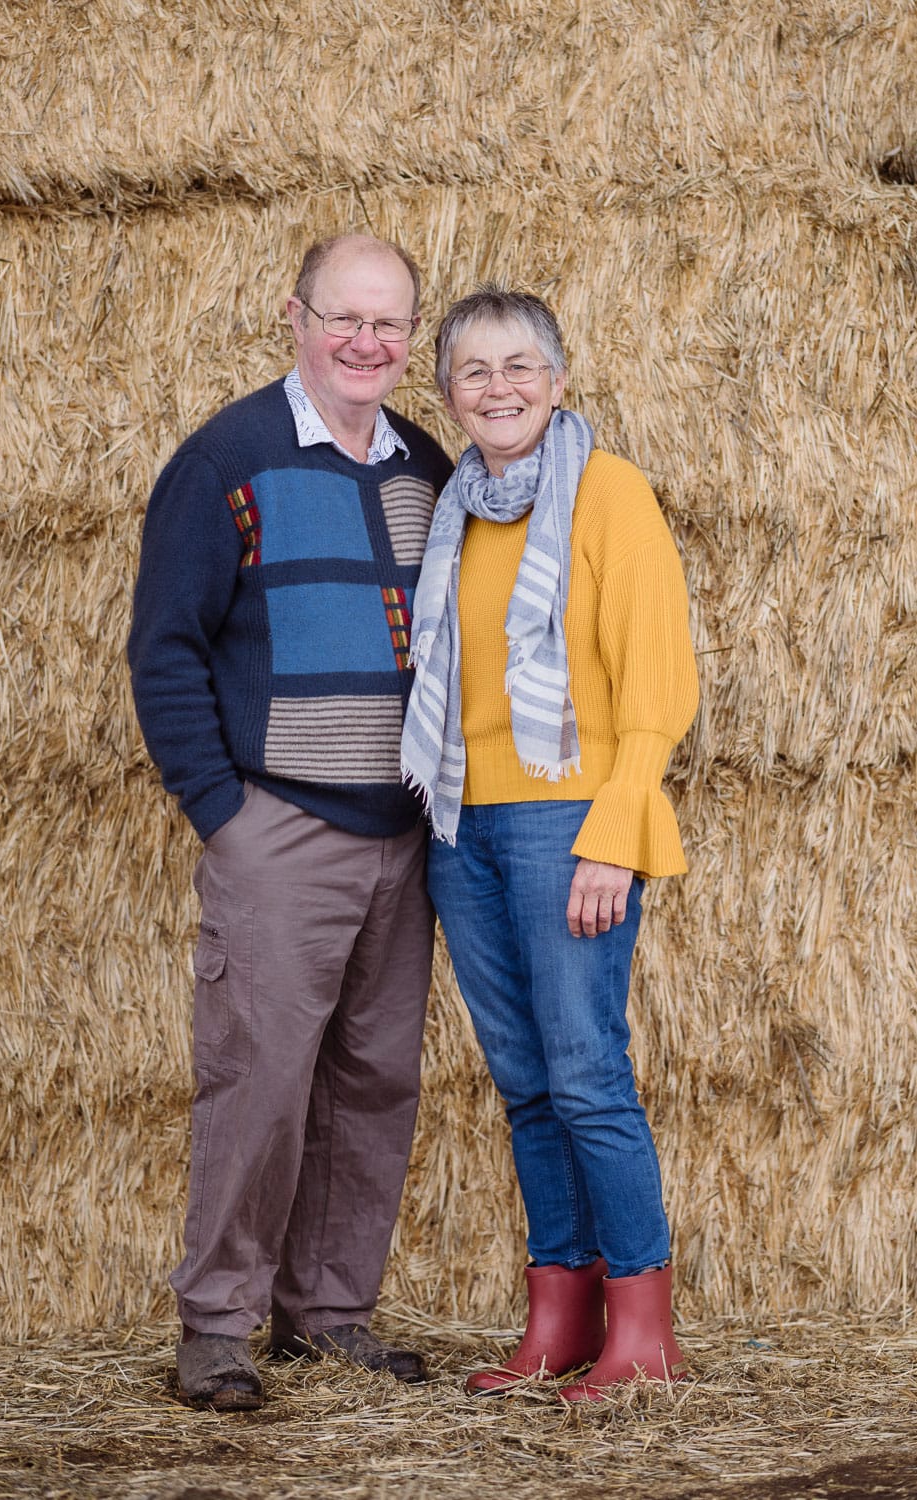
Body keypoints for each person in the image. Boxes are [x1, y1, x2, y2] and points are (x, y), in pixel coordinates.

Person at [128, 234, 453, 1410]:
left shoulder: (424, 463)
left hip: (400, 840)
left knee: (375, 1081)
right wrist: (224, 813)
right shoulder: (227, 458)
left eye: (389, 324)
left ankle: (327, 1312)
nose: (366, 343)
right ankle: (216, 1326)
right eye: (344, 318)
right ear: (294, 317)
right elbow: (163, 647)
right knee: (258, 1080)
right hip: (280, 833)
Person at [401, 284, 699, 1402]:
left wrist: (610, 834)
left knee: (584, 1073)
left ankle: (642, 1333)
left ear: (560, 380)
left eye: (520, 365)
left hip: (566, 819)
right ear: (446, 397)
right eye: (474, 372)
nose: (499, 388)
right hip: (460, 823)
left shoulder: (606, 494)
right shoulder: (455, 511)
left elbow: (657, 680)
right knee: (525, 1083)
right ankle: (559, 1320)